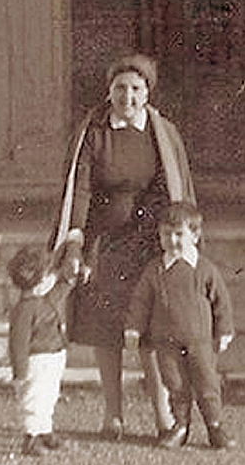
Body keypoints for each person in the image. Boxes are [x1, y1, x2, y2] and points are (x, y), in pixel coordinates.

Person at [53, 53, 191, 442]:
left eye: (135, 88)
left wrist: (168, 238)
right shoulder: (94, 133)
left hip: (148, 243)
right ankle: (113, 415)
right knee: (105, 329)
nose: (127, 96)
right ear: (108, 91)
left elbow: (172, 188)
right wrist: (76, 238)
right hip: (106, 243)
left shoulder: (162, 133)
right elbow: (79, 188)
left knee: (152, 331)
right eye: (120, 88)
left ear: (147, 92)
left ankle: (165, 417)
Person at [125, 202, 237, 450]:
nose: (173, 241)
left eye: (179, 235)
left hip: (200, 342)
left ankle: (215, 426)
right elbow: (141, 301)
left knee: (207, 383)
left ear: (195, 236)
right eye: (167, 234)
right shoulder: (155, 270)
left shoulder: (204, 270)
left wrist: (224, 330)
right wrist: (133, 328)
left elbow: (221, 301)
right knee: (175, 385)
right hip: (166, 343)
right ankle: (181, 426)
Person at [6, 244, 71, 456]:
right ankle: (31, 435)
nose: (52, 277)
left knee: (49, 395)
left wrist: (72, 277)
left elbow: (62, 290)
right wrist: (20, 372)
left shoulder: (43, 300)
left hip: (53, 356)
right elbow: (18, 343)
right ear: (39, 281)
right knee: (34, 397)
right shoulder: (24, 310)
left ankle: (44, 429)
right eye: (48, 274)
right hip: (37, 360)